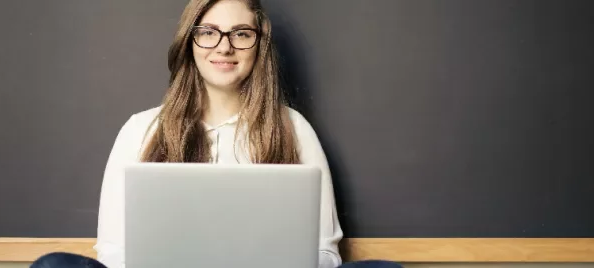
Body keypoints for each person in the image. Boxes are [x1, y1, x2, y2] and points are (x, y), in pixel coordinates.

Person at [32, 0, 401, 267]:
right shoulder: (141, 129)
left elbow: (324, 252)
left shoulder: (293, 128)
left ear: (260, 43)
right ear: (190, 41)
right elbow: (113, 249)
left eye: (241, 33)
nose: (224, 46)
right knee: (54, 266)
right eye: (208, 32)